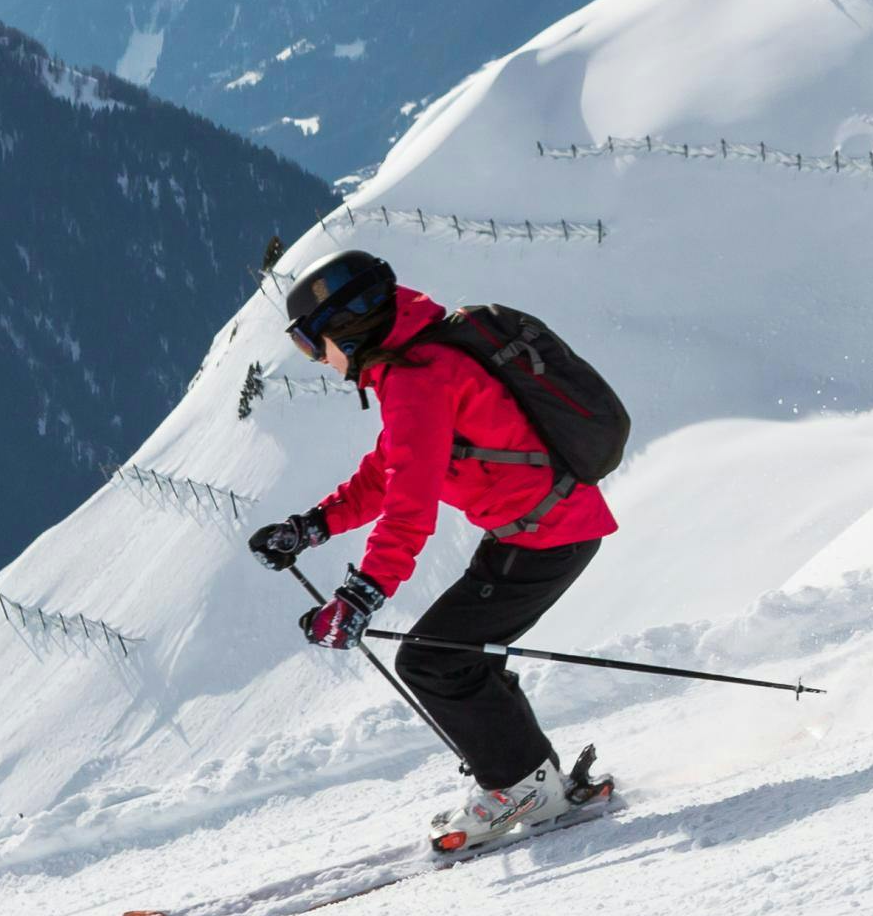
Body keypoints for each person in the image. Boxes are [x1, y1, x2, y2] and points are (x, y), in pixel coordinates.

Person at [246, 249, 618, 849]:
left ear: (346, 327)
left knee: (432, 660)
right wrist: (311, 527)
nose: (317, 359)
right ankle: (533, 780)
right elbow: (390, 470)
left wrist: (359, 596)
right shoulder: (414, 364)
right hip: (542, 529)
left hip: (547, 536)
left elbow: (410, 506)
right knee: (458, 655)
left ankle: (520, 785)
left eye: (312, 344)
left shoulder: (417, 376)